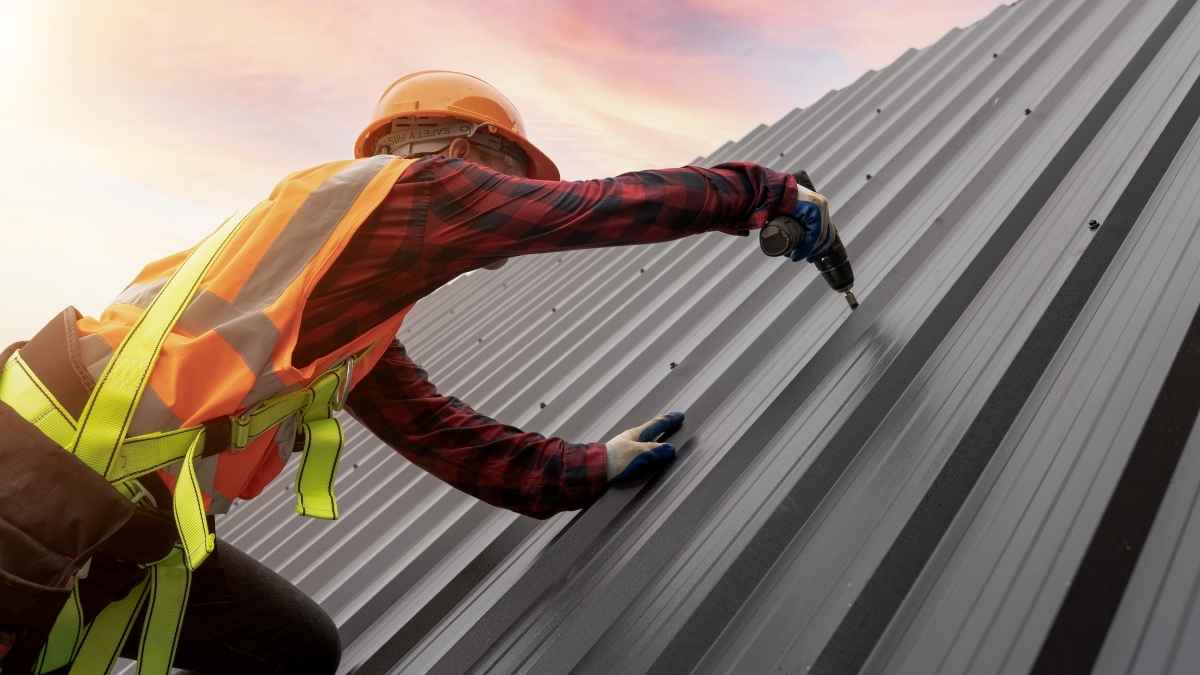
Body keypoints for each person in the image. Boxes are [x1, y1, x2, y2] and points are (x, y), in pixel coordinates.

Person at [0, 70, 835, 674]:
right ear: (461, 149)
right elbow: (589, 209)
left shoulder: (338, 294)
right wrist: (762, 193)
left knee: (292, 647)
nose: (503, 211)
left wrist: (584, 467)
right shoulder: (412, 189)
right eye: (506, 179)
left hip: (117, 521)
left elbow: (435, 430)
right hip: (33, 489)